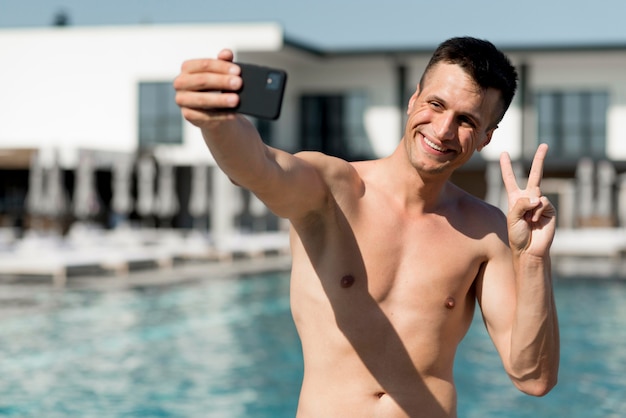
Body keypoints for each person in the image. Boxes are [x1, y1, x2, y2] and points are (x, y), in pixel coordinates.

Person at [173, 36, 560, 418]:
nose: (442, 130)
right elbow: (259, 168)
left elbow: (533, 378)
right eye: (435, 104)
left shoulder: (487, 231)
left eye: (466, 121)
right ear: (413, 100)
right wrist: (217, 122)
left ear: (485, 138)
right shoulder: (332, 191)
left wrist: (533, 260)